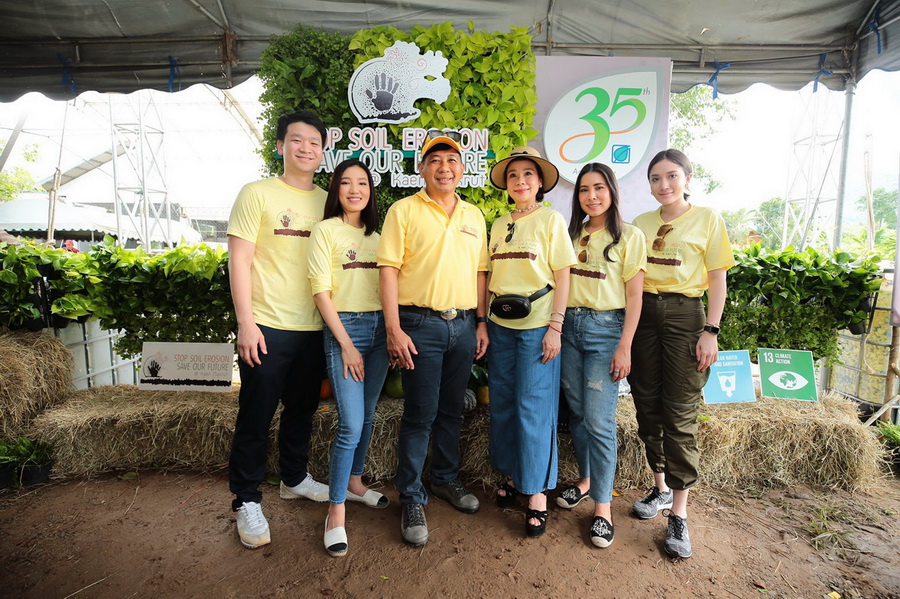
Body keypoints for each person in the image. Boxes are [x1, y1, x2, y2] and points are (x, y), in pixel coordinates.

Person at [376, 129, 490, 546]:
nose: (444, 168)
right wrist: (394, 329)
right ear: (422, 168)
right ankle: (411, 495)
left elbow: (481, 273)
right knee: (420, 413)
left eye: (452, 161)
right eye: (435, 161)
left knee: (450, 411)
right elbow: (387, 269)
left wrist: (480, 322)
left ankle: (444, 479)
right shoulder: (403, 211)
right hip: (418, 324)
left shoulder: (474, 216)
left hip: (461, 326)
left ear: (462, 169)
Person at [226, 110, 331, 549]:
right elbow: (239, 261)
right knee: (255, 415)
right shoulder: (257, 193)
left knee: (302, 410)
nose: (306, 148)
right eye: (297, 140)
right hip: (267, 327)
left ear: (324, 151)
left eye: (314, 142)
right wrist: (246, 324)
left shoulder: (330, 199)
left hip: (314, 329)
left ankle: (293, 478)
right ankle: (245, 499)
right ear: (280, 146)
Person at [628, 149, 734, 558]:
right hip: (644, 315)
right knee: (647, 407)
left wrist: (711, 330)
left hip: (686, 316)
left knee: (680, 411)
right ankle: (658, 491)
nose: (664, 185)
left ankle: (680, 513)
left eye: (671, 176)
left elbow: (717, 279)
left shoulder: (708, 219)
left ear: (688, 177)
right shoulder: (640, 224)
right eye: (655, 178)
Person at [486, 146, 576, 538]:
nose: (520, 181)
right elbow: (486, 274)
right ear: (506, 185)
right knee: (504, 403)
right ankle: (511, 476)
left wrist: (556, 326)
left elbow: (564, 274)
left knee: (534, 407)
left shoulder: (552, 220)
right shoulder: (497, 223)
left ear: (540, 182)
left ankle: (536, 493)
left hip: (538, 326)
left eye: (528, 174)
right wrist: (481, 322)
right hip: (499, 324)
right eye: (513, 176)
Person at [555, 163, 646, 548]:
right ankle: (587, 481)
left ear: (611, 190)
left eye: (599, 188)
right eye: (583, 190)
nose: (591, 196)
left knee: (599, 420)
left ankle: (603, 509)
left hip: (605, 331)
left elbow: (635, 296)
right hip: (569, 329)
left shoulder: (630, 236)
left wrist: (625, 345)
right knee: (577, 412)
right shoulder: (570, 233)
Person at [308, 158, 391, 557]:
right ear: (336, 190)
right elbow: (321, 292)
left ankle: (356, 483)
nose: (355, 189)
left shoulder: (381, 234)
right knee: (351, 424)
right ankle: (335, 510)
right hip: (347, 330)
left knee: (370, 414)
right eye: (346, 183)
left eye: (362, 183)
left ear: (371, 190)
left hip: (380, 331)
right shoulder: (325, 231)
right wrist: (345, 344)